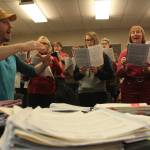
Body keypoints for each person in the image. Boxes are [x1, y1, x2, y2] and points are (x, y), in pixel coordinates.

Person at [0, 8, 49, 100]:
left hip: (6, 112)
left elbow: (32, 71)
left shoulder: (12, 56)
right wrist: (22, 46)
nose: (11, 26)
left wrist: (44, 64)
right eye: (4, 22)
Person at [74, 32, 114, 107]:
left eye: (91, 40)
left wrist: (98, 72)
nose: (89, 42)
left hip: (99, 92)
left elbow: (110, 75)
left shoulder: (103, 55)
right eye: (87, 40)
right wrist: (80, 72)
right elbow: (75, 77)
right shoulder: (81, 55)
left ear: (95, 41)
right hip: (83, 92)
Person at [116, 25, 150, 104]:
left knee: (146, 113)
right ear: (130, 37)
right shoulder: (124, 52)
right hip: (129, 87)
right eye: (133, 32)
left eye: (138, 32)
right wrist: (124, 66)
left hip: (147, 87)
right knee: (130, 113)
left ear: (142, 35)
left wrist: (147, 69)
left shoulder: (149, 51)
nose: (135, 34)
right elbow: (118, 74)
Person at [27, 36, 62, 108]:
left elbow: (59, 72)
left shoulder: (53, 58)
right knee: (33, 114)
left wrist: (55, 63)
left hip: (48, 90)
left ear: (48, 46)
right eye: (40, 43)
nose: (42, 45)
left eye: (44, 43)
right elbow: (26, 75)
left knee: (47, 114)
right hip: (34, 90)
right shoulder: (32, 58)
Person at [101, 37, 119, 102]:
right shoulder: (99, 55)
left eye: (105, 43)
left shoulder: (114, 54)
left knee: (113, 100)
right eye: (102, 44)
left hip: (113, 82)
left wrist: (113, 62)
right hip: (103, 81)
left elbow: (117, 67)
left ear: (109, 45)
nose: (103, 45)